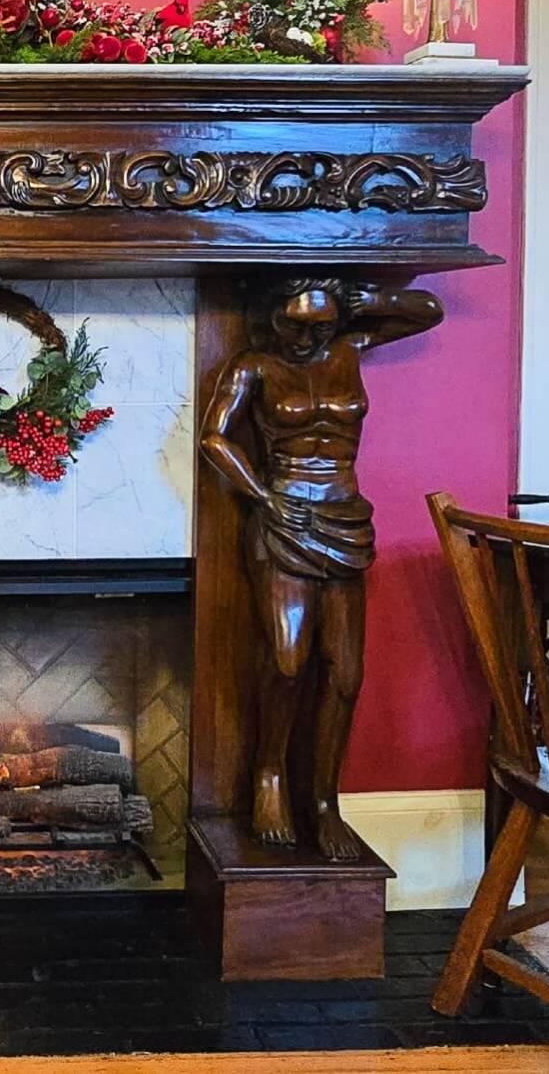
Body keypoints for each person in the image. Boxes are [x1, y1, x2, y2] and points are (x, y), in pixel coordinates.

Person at [200, 277, 443, 861]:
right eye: (294, 325)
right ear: (270, 319)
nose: (307, 338)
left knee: (345, 672)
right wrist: (262, 494)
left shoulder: (348, 351)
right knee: (287, 661)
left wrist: (370, 301)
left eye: (320, 325)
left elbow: (428, 310)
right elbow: (214, 438)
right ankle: (269, 776)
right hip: (283, 518)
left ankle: (326, 801)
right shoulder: (252, 367)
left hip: (344, 516)